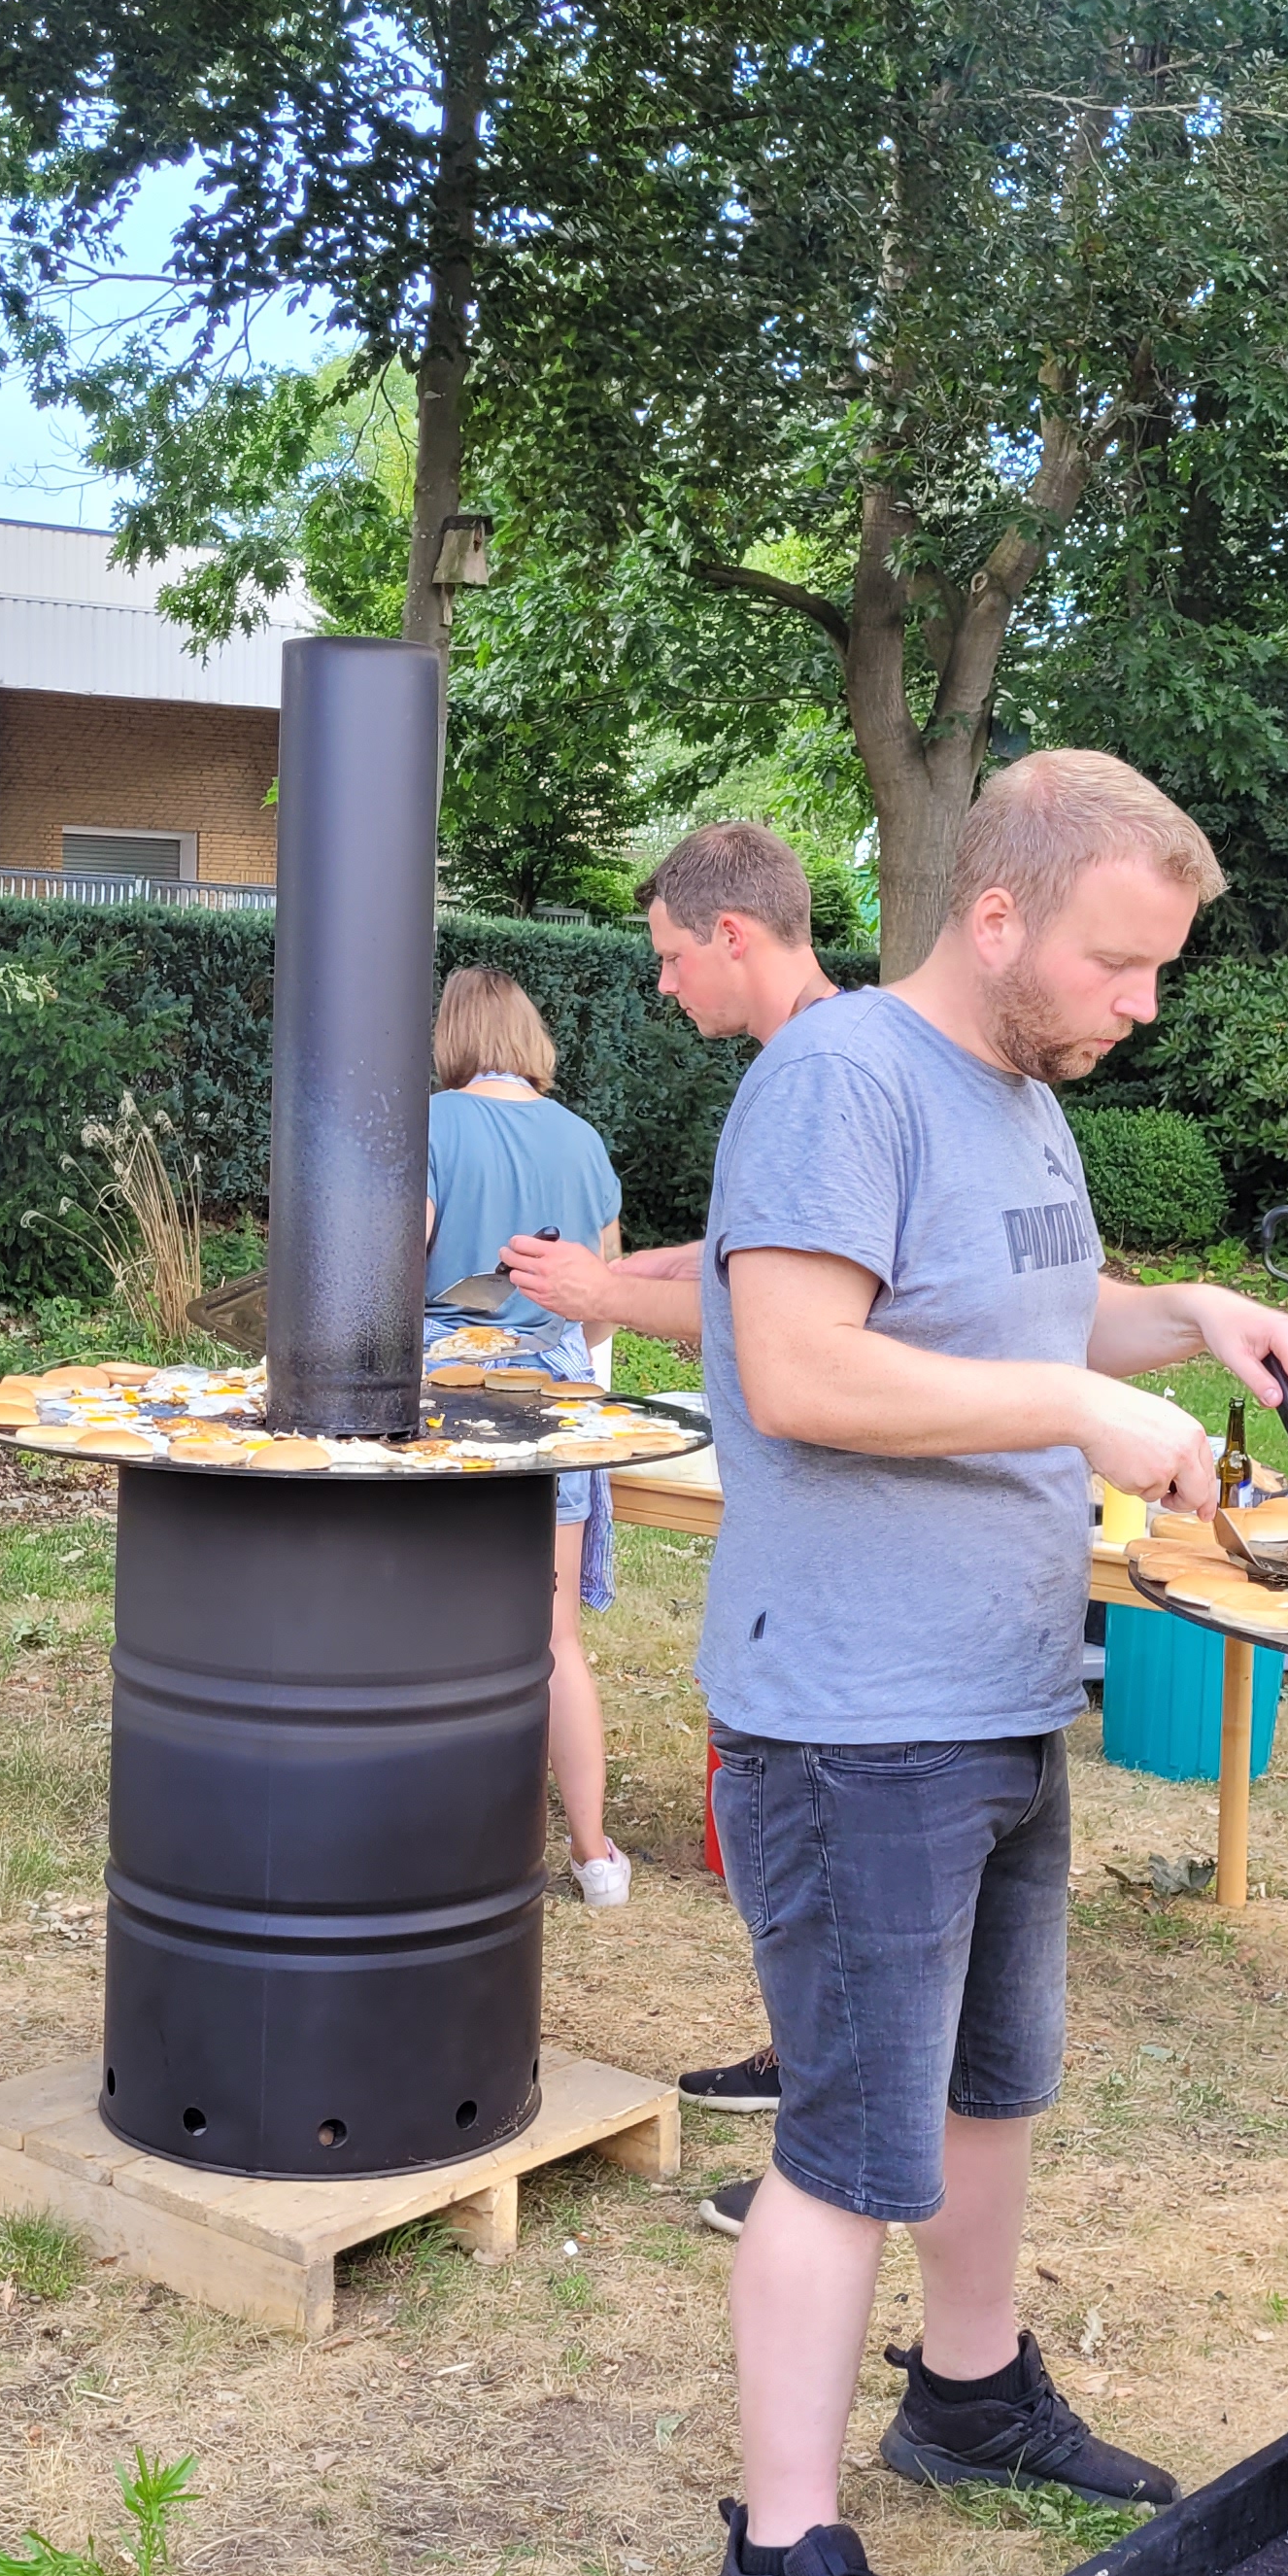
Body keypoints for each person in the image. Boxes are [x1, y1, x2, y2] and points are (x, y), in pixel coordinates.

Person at [691, 751, 1288, 2576]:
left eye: (1159, 970)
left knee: (988, 2088)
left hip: (996, 1684)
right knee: (846, 2143)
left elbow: (1024, 1318)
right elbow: (801, 1369)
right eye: (1117, 963)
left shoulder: (1021, 1095)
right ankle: (777, 2557)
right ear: (993, 915)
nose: (1143, 1003)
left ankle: (964, 2393)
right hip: (853, 1714)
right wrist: (1078, 1414)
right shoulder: (842, 1077)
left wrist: (1184, 1313)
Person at [502, 822, 843, 2136]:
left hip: (826, 1526)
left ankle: (830, 2092)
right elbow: (759, 1250)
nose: (660, 982)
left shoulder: (818, 1074)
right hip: (793, 1518)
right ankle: (806, 2053)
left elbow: (785, 1307)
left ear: (733, 936)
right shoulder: (804, 1064)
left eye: (668, 956)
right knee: (775, 1802)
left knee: (795, 1809)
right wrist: (633, 1271)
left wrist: (602, 1298)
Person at [423, 965, 633, 1905]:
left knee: (434, 1624)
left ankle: (436, 1848)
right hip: (557, 1394)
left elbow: (394, 1265)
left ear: (452, 1036)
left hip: (444, 1395)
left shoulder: (430, 1122)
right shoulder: (581, 1139)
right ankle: (594, 1857)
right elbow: (605, 1304)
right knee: (554, 1640)